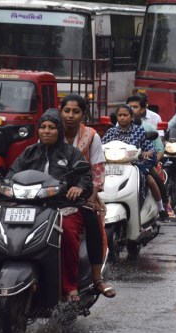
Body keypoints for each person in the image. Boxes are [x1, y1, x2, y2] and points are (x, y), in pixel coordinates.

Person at [0, 109, 92, 302]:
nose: (47, 131)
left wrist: (78, 188)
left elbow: (85, 177)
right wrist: (1, 186)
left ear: (59, 131)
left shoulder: (71, 153)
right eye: (43, 127)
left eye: (52, 128)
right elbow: (12, 174)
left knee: (69, 233)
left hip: (62, 207)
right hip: (28, 207)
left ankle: (70, 285)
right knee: (2, 230)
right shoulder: (29, 153)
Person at [60, 94, 115, 298]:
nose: (71, 116)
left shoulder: (91, 136)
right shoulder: (50, 132)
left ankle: (96, 278)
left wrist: (90, 197)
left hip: (83, 193)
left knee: (92, 219)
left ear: (83, 114)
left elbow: (98, 170)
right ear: (60, 111)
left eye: (76, 112)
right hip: (51, 193)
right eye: (67, 111)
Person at [101, 105, 169, 221]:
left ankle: (162, 209)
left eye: (125, 115)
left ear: (131, 117)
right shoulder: (111, 132)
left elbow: (151, 149)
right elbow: (101, 147)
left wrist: (147, 153)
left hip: (135, 165)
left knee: (150, 180)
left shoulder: (140, 131)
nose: (122, 118)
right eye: (120, 115)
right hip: (112, 166)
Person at [127, 95, 176, 219]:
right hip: (121, 163)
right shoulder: (115, 129)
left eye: (135, 107)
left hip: (143, 163)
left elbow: (159, 150)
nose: (131, 109)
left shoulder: (147, 128)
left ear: (143, 110)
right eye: (129, 107)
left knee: (153, 179)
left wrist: (152, 161)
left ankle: (164, 205)